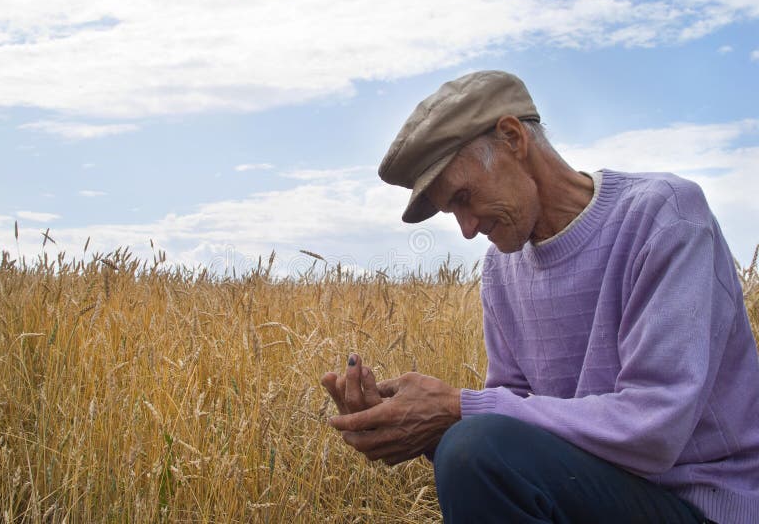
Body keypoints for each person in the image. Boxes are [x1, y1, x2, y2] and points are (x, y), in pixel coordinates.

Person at [321, 71, 759, 523]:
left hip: (701, 504)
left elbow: (655, 430)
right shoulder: (501, 267)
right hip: (593, 493)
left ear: (512, 138)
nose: (468, 229)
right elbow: (510, 431)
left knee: (474, 448)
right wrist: (418, 426)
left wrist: (458, 409)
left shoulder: (664, 217)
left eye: (465, 197)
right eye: (453, 212)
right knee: (469, 449)